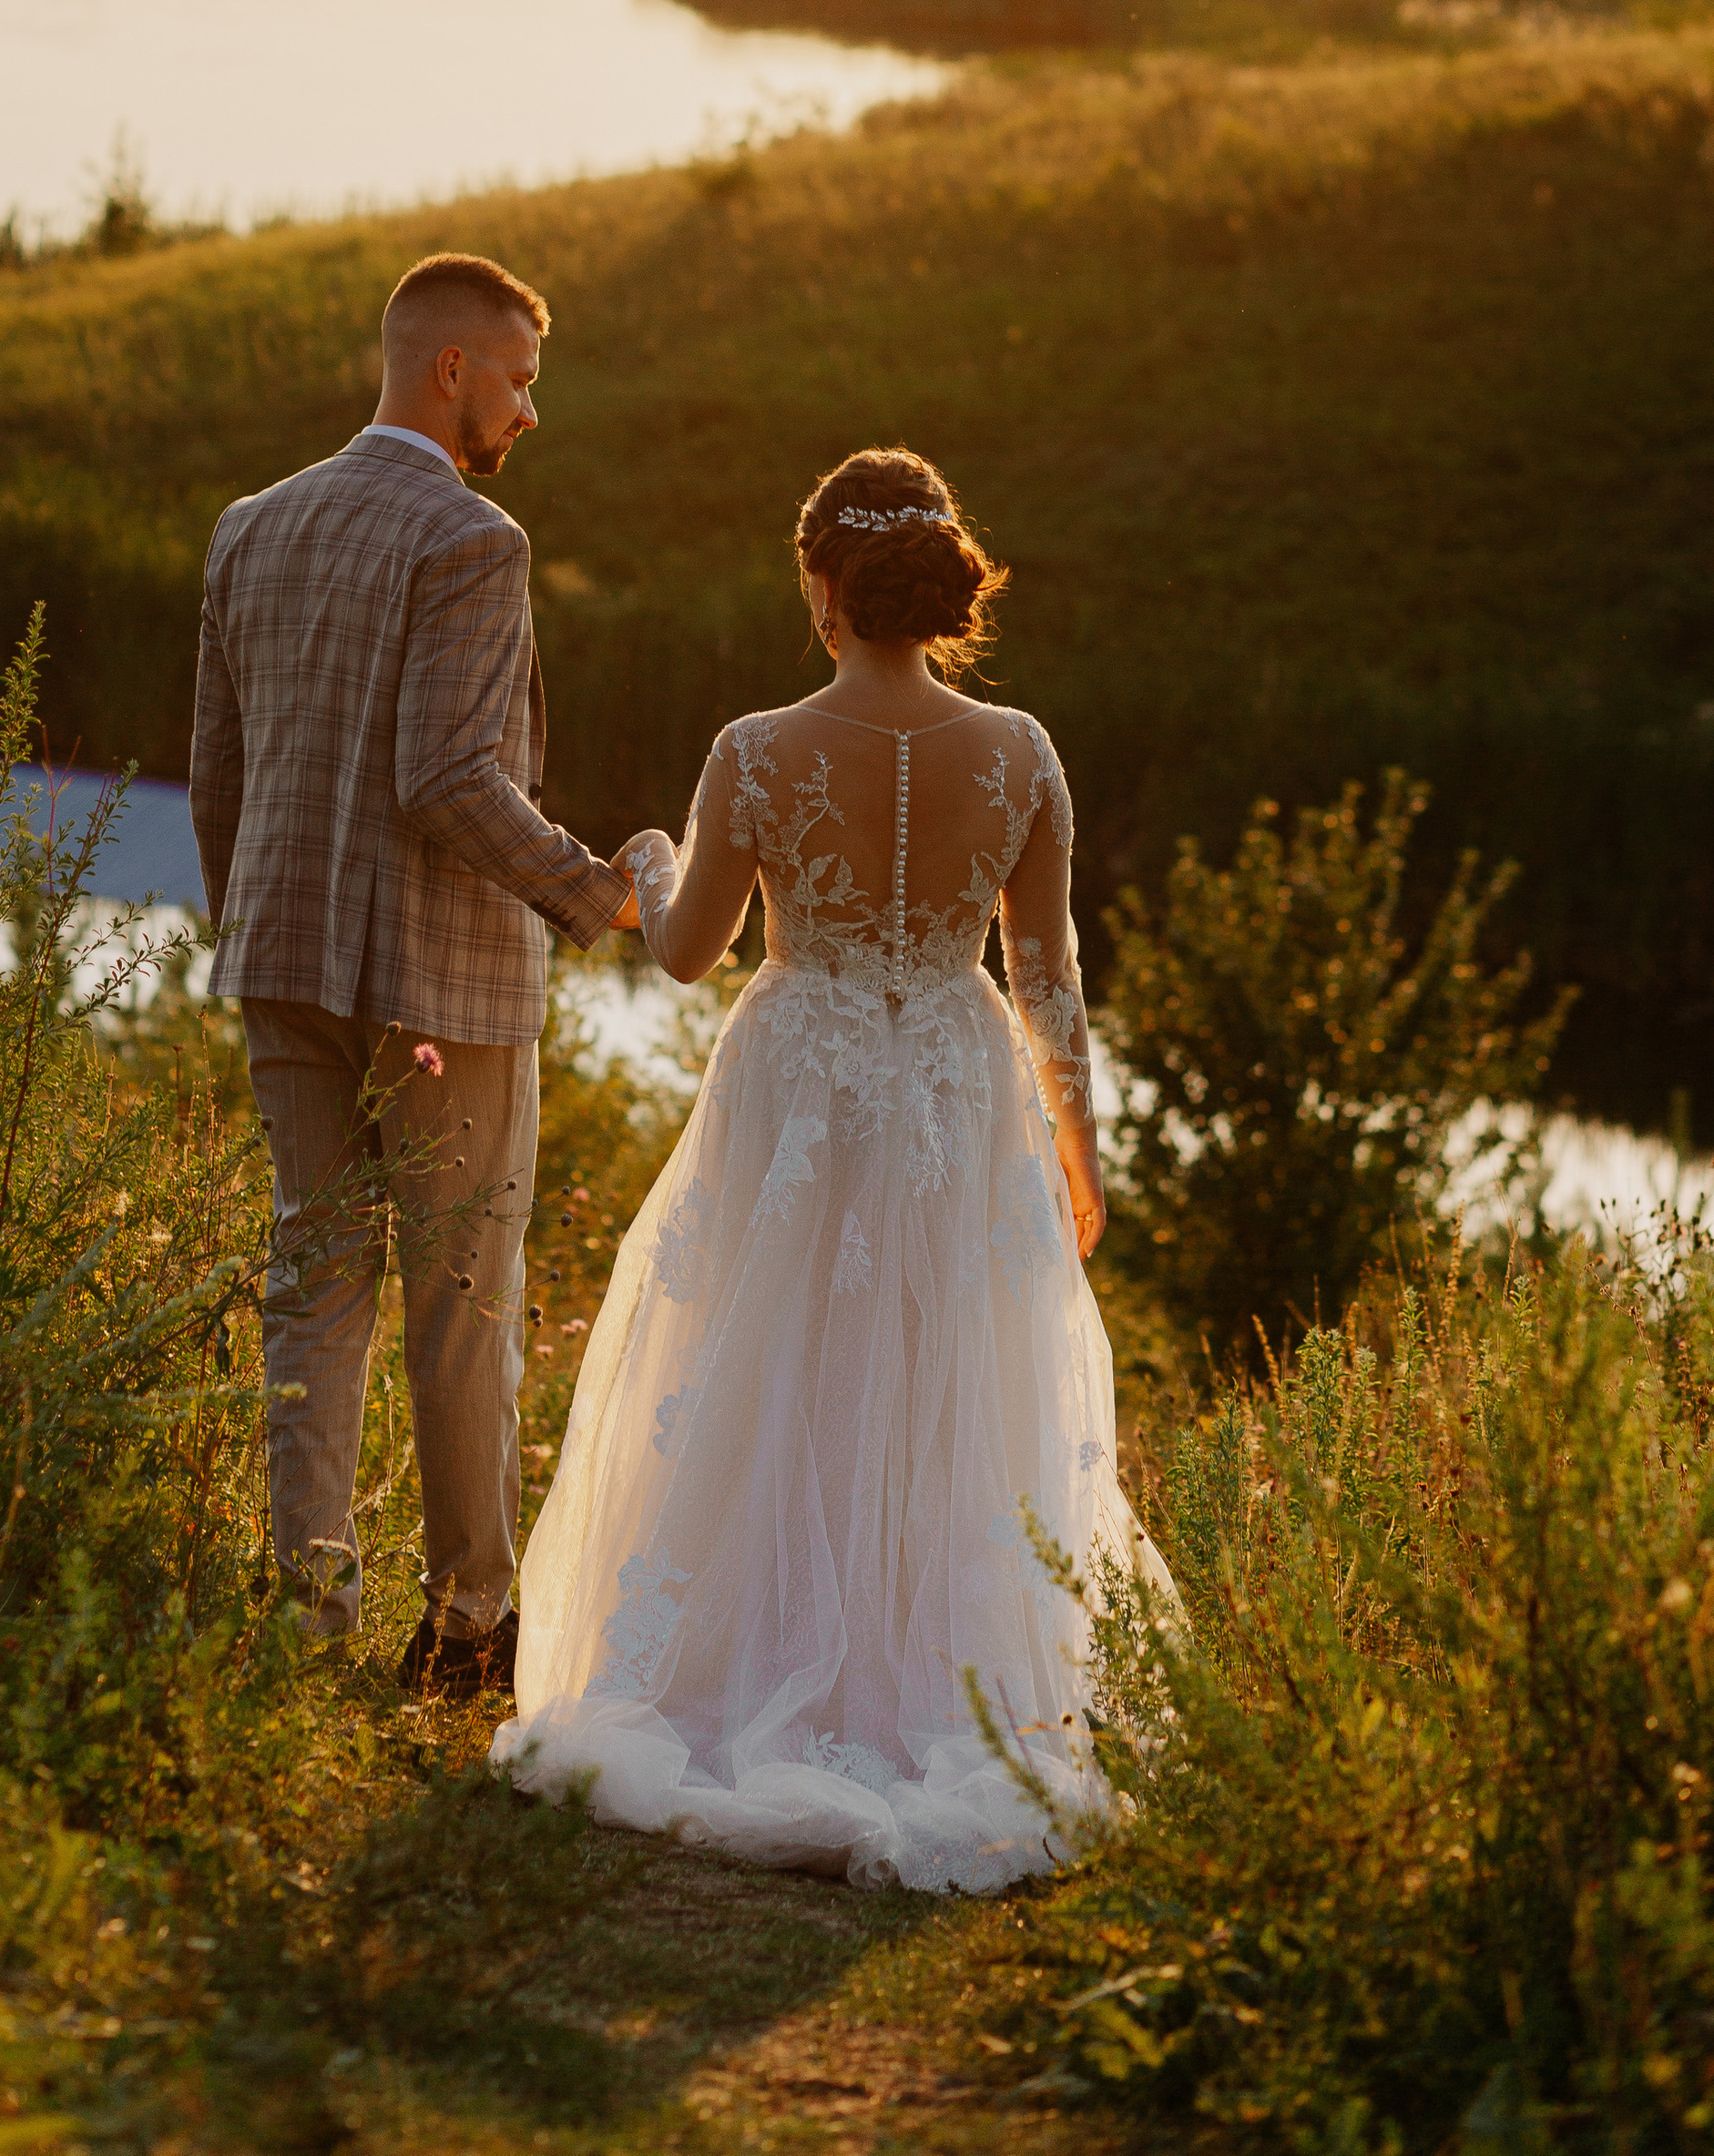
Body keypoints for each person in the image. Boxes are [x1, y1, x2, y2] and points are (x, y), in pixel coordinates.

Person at [491, 443, 1169, 1886]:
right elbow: (1047, 976)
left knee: (775, 1353)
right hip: (954, 1074)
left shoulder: (754, 747)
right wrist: (1078, 1151)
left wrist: (656, 856)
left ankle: (747, 1670)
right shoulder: (1024, 751)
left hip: (800, 1075)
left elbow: (685, 956)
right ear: (934, 585)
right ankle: (945, 1691)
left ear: (821, 585)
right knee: (946, 1370)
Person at [190, 249, 636, 1699]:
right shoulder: (474, 542)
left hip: (283, 964)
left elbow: (219, 777)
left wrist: (250, 931)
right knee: (463, 1308)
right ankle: (466, 1631)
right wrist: (594, 892)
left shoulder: (250, 528)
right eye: (517, 378)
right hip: (444, 988)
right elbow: (449, 778)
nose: (526, 411)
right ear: (449, 369)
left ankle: (304, 1625)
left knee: (312, 1292)